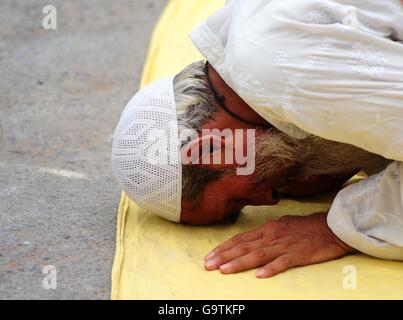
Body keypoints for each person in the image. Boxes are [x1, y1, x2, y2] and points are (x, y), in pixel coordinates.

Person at [112, 0, 403, 278]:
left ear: (212, 148)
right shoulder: (245, 36)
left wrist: (341, 229)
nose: (270, 199)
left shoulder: (281, 74)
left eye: (237, 200)